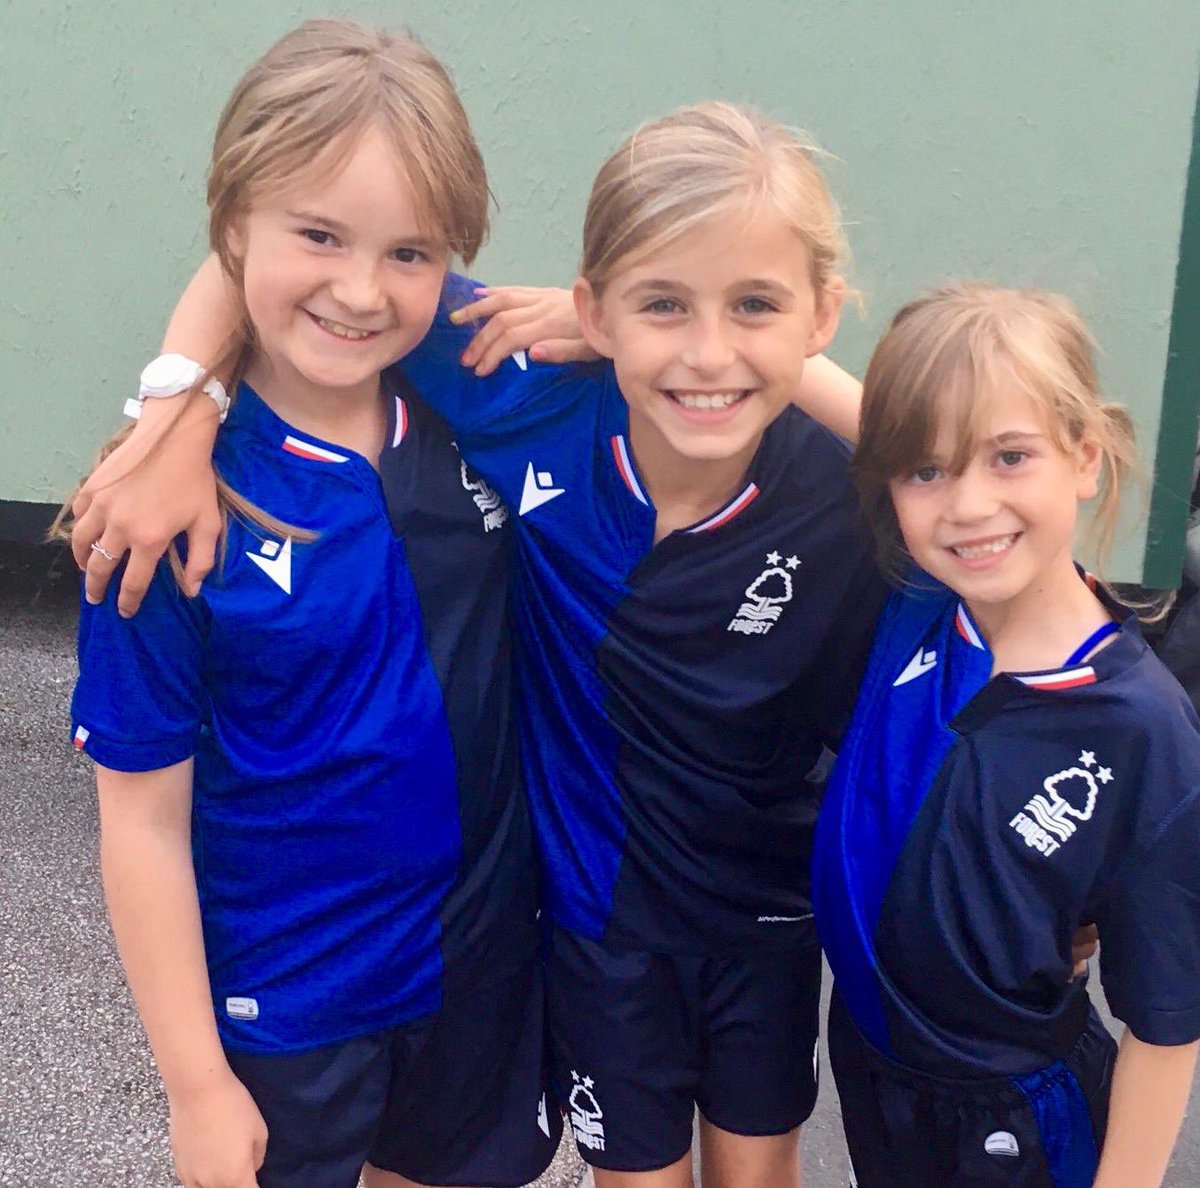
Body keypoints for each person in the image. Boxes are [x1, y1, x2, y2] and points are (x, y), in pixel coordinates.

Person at [72, 102, 883, 1187]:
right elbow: (254, 251)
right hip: (517, 939)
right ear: (598, 311)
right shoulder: (512, 391)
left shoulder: (831, 484)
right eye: (661, 306)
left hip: (666, 934)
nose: (705, 353)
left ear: (819, 311)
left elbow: (954, 487)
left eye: (752, 307)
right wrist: (178, 405)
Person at [58, 20, 565, 1188]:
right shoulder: (164, 510)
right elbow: (139, 822)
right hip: (289, 1001)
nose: (359, 289)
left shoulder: (473, 398)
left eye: (409, 253)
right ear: (233, 225)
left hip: (477, 965)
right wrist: (193, 1082)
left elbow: (676, 342)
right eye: (319, 236)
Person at [811, 284, 1200, 1187]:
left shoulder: (1142, 732)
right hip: (877, 1069)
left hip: (1013, 1118)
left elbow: (1167, 1022)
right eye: (927, 472)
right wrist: (614, 330)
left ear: (1086, 456)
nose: (969, 505)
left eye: (1011, 456)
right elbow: (844, 401)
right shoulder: (920, 602)